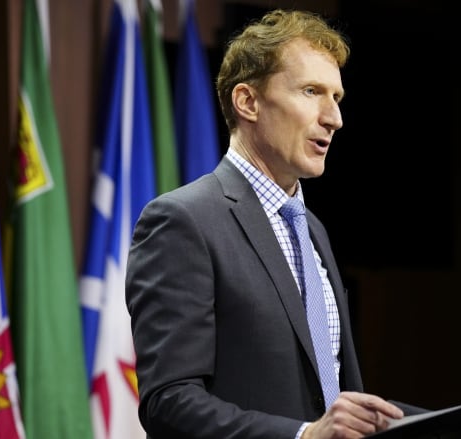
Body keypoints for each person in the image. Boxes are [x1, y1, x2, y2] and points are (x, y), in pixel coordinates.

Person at [125, 8, 425, 439]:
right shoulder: (182, 221)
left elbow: (330, 393)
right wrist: (304, 435)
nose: (334, 118)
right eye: (310, 91)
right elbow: (168, 403)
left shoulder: (313, 230)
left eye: (336, 98)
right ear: (248, 101)